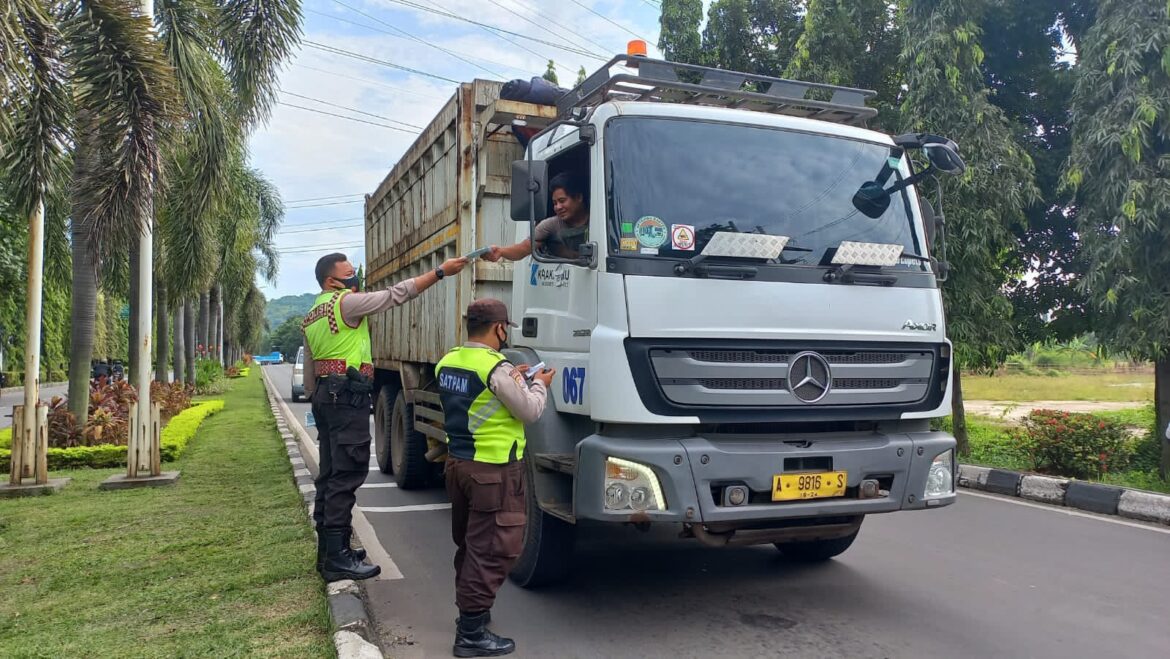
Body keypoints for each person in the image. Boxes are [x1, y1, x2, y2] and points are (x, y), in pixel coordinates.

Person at [303, 251, 468, 582]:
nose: (354, 278)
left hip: (326, 396)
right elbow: (396, 295)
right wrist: (439, 272)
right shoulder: (345, 303)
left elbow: (309, 369)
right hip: (346, 397)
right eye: (348, 274)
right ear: (330, 281)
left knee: (330, 474)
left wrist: (317, 399)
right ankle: (337, 558)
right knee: (346, 474)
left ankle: (331, 552)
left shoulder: (312, 314)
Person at [436, 298, 554, 657]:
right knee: (491, 549)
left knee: (470, 544)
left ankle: (472, 613)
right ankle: (470, 634)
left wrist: (516, 379)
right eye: (506, 329)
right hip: (494, 471)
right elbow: (530, 411)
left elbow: (480, 399)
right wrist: (539, 385)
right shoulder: (496, 368)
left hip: (459, 465)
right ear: (499, 328)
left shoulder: (448, 361)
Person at [484, 172, 588, 262]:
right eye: (555, 203)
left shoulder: (596, 220)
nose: (558, 207)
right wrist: (500, 251)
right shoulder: (550, 225)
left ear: (578, 197)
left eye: (562, 201)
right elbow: (523, 248)